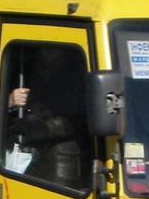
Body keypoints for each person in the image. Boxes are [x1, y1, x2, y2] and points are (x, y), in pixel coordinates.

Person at [5, 48, 90, 188]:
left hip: (60, 163)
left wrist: (44, 128)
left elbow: (82, 118)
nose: (49, 51)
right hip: (20, 156)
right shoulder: (21, 65)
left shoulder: (78, 71)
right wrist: (9, 102)